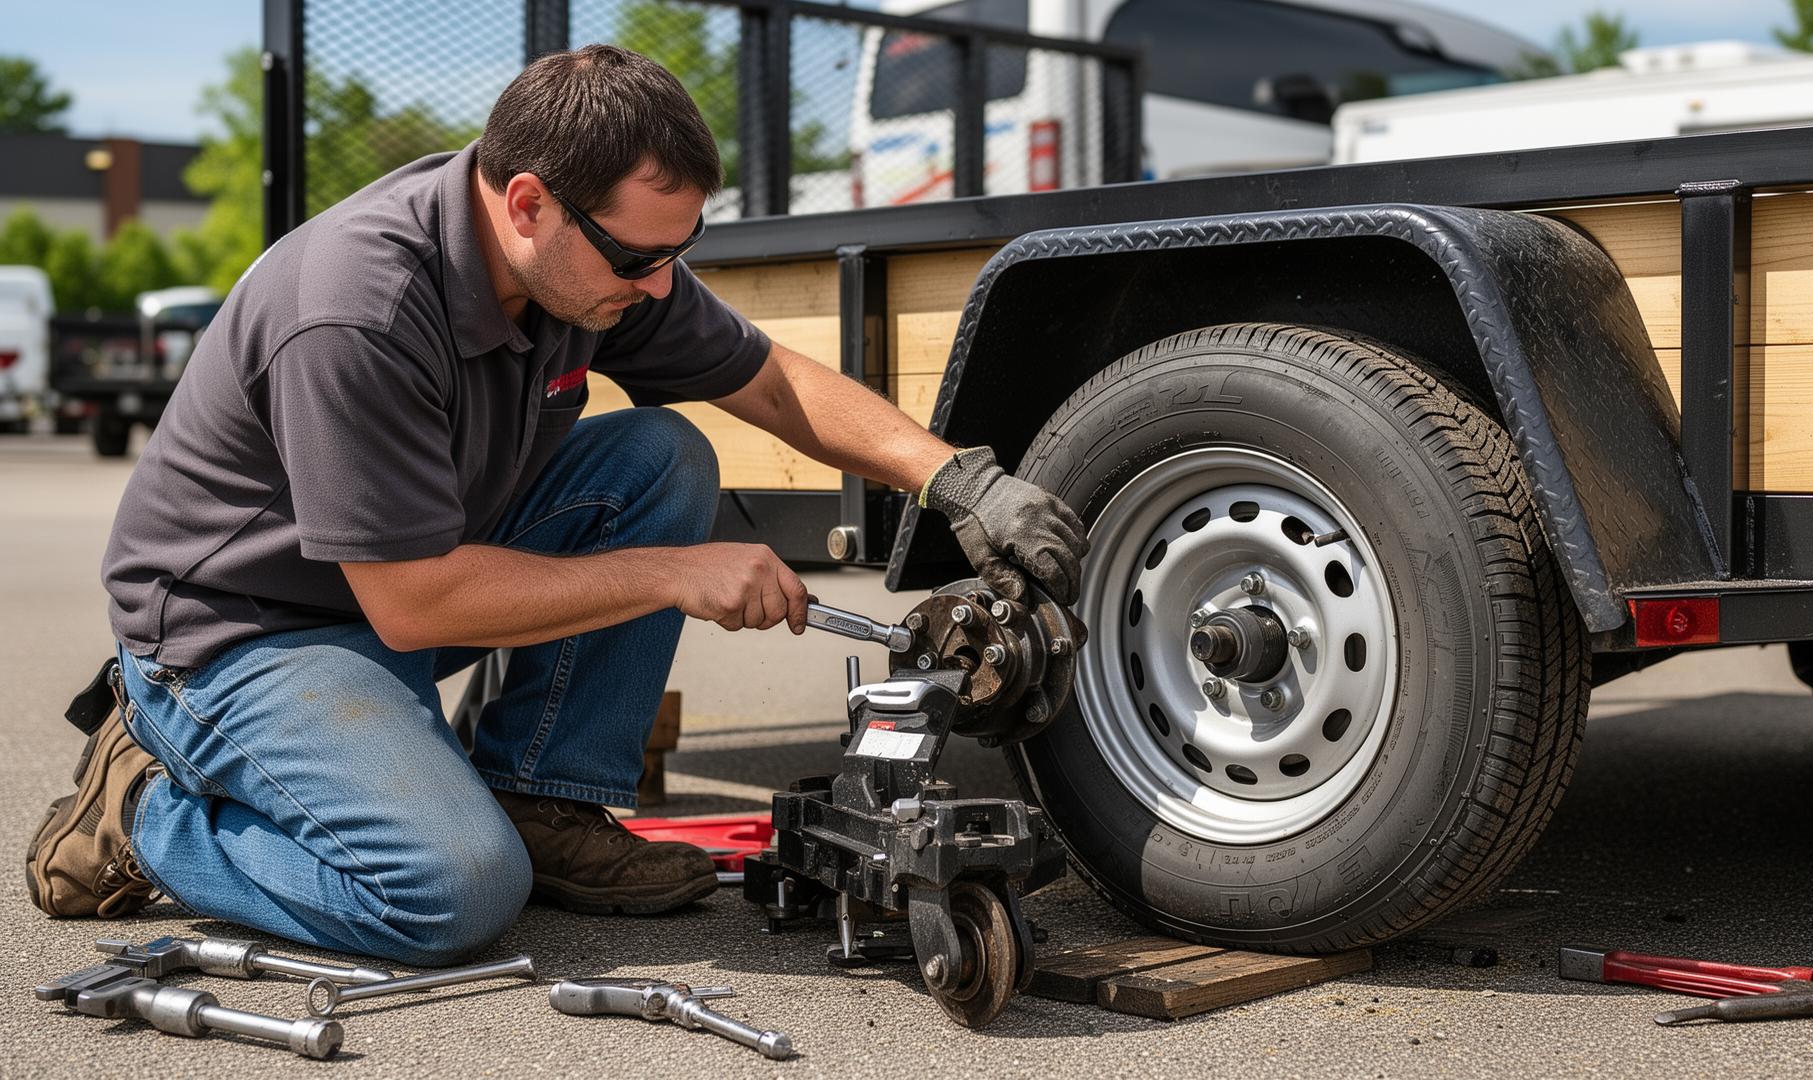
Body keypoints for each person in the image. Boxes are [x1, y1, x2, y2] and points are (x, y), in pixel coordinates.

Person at [25, 45, 1086, 966]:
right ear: (527, 202)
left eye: (679, 252)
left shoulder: (582, 268)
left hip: (389, 590)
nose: (664, 286)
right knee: (448, 893)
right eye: (640, 258)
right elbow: (416, 605)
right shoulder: (355, 312)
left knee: (661, 456)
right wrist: (679, 574)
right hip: (242, 638)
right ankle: (146, 810)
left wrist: (956, 478)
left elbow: (770, 381)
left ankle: (542, 797)